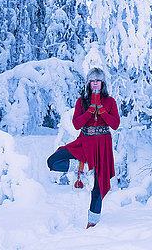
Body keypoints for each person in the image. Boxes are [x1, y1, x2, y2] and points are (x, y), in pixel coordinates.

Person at [47, 67, 120, 228]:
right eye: (92, 81)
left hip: (103, 144)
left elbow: (115, 124)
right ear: (88, 83)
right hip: (84, 141)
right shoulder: (82, 101)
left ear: (103, 83)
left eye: (98, 81)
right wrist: (90, 111)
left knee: (99, 185)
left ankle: (92, 224)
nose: (95, 83)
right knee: (53, 161)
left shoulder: (110, 101)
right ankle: (83, 167)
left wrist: (102, 111)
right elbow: (76, 124)